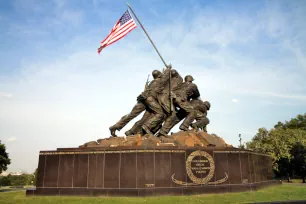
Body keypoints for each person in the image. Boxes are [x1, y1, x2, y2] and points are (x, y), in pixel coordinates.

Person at [109, 68, 170, 137]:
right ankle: (147, 126)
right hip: (150, 100)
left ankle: (115, 126)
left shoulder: (153, 82)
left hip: (142, 98)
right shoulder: (160, 80)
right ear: (159, 76)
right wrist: (168, 69)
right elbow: (166, 76)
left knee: (131, 114)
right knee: (160, 113)